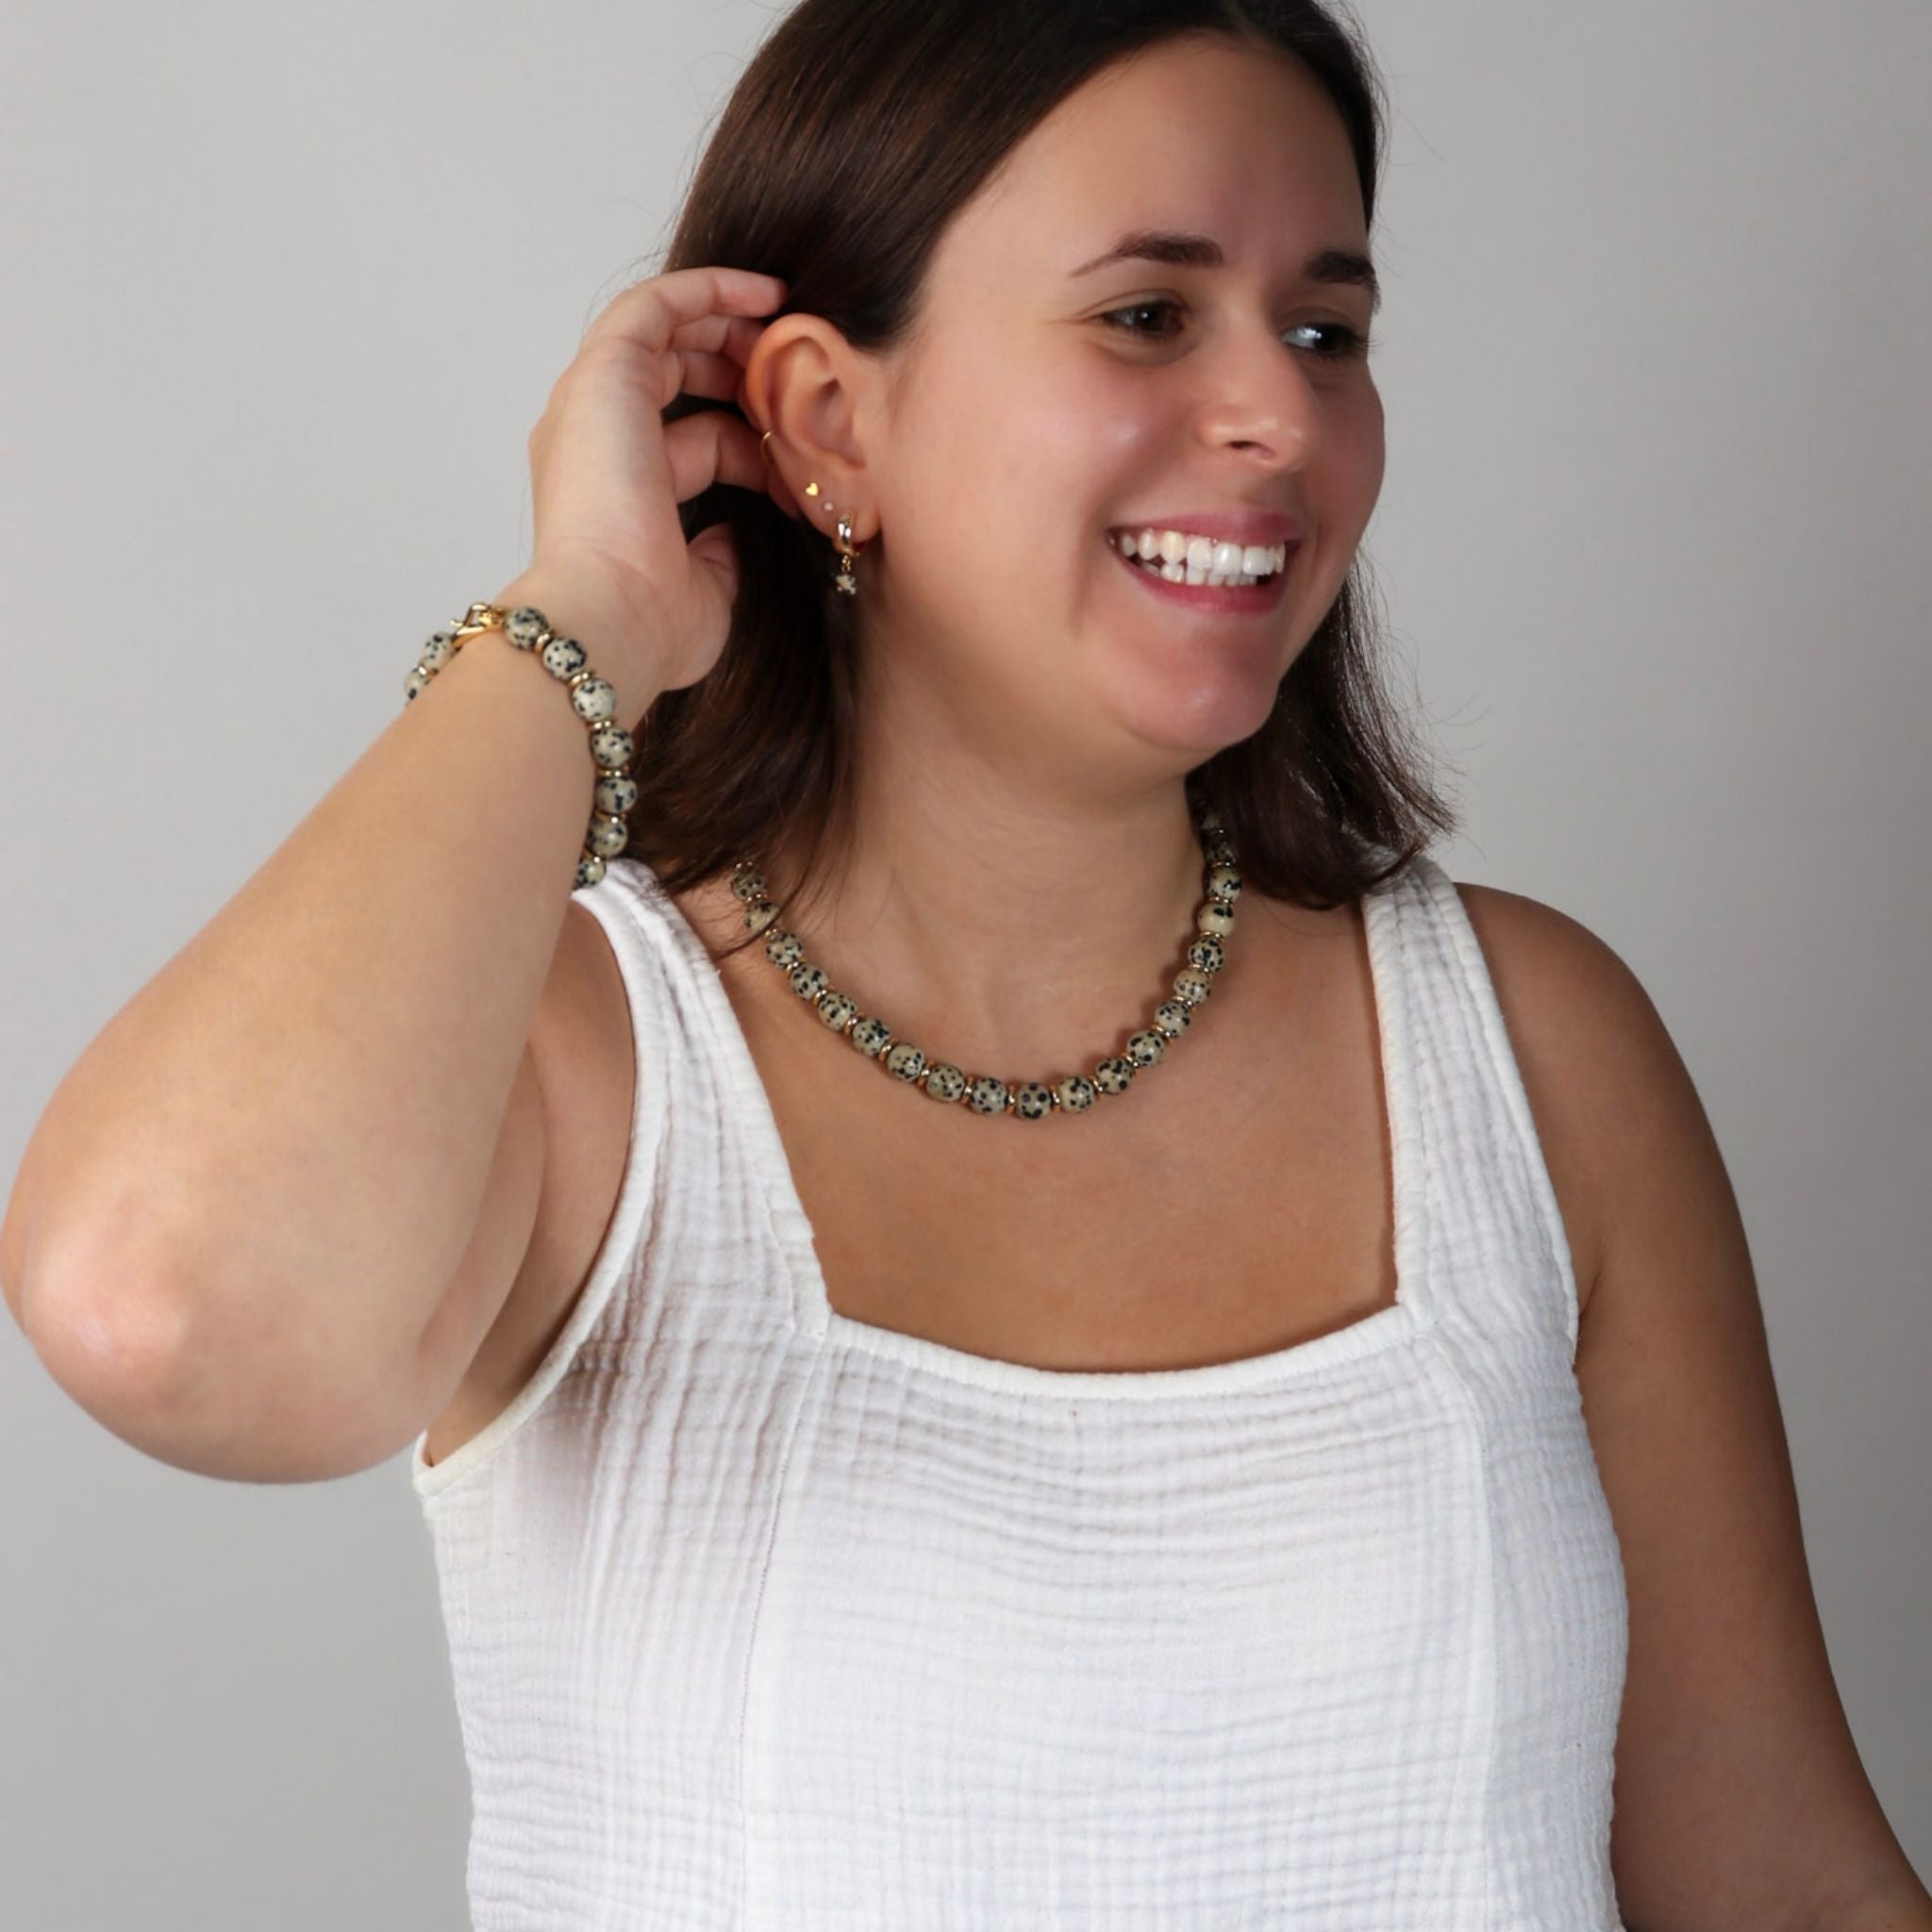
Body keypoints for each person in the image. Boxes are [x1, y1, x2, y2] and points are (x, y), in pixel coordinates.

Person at [4, 1, 1926, 1925]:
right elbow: (167, 1310)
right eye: (1149, 314)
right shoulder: (589, 1069)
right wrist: (579, 609)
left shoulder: (1533, 1055)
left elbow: (1773, 1878)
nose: (1281, 413)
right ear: (830, 421)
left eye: (1326, 328)